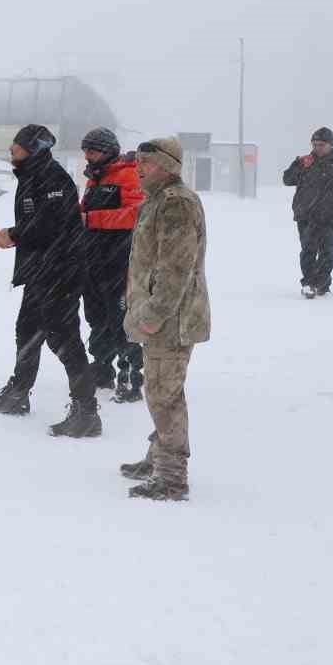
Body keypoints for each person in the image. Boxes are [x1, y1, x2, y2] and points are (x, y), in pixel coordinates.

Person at [0, 124, 101, 437]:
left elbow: (51, 224)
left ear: (32, 148)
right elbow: (37, 224)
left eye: (16, 146)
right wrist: (11, 236)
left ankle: (86, 412)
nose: (11, 150)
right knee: (28, 330)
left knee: (63, 338)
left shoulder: (52, 177)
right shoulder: (32, 174)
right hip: (40, 270)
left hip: (61, 270)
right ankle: (18, 393)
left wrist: (14, 235)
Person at [121, 137, 211, 501]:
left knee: (164, 393)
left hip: (172, 319)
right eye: (139, 161)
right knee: (159, 389)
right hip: (158, 315)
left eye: (147, 162)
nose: (139, 168)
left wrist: (153, 315)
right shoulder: (156, 201)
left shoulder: (176, 204)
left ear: (168, 166)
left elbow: (175, 269)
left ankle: (172, 477)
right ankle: (158, 457)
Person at [77, 128, 145, 401]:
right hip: (92, 259)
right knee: (96, 317)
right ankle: (102, 368)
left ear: (107, 151)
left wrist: (92, 219)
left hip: (119, 260)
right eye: (86, 152)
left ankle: (130, 376)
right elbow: (84, 212)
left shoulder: (128, 174)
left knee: (121, 319)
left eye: (92, 151)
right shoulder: (94, 179)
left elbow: (134, 214)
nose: (88, 157)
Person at [282, 126, 333, 299]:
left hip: (331, 216)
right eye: (314, 144)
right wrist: (298, 166)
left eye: (321, 145)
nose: (317, 148)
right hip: (306, 215)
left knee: (327, 252)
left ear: (330, 144)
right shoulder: (306, 161)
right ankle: (308, 283)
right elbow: (287, 179)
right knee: (308, 249)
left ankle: (322, 285)